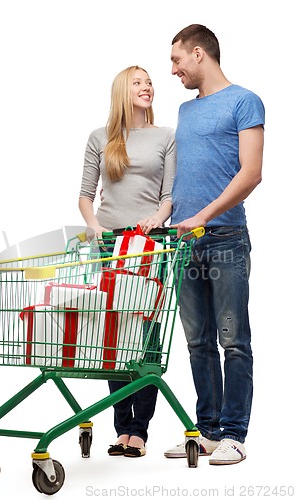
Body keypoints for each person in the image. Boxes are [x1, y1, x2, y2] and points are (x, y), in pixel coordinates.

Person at [164, 24, 265, 465]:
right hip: (186, 244)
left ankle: (234, 434)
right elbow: (183, 181)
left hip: (224, 238)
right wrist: (164, 216)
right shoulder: (186, 112)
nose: (173, 70)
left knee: (233, 340)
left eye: (177, 60)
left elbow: (251, 173)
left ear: (199, 54)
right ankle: (206, 432)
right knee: (197, 341)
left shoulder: (245, 101)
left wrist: (203, 217)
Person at [78, 65, 176, 457]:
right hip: (110, 245)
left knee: (147, 334)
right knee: (114, 333)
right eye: (138, 82)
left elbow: (169, 195)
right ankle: (121, 426)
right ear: (122, 90)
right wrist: (94, 225)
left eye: (149, 82)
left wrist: (158, 218)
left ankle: (140, 429)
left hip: (150, 245)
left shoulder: (166, 136)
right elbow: (85, 194)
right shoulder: (100, 138)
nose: (147, 87)